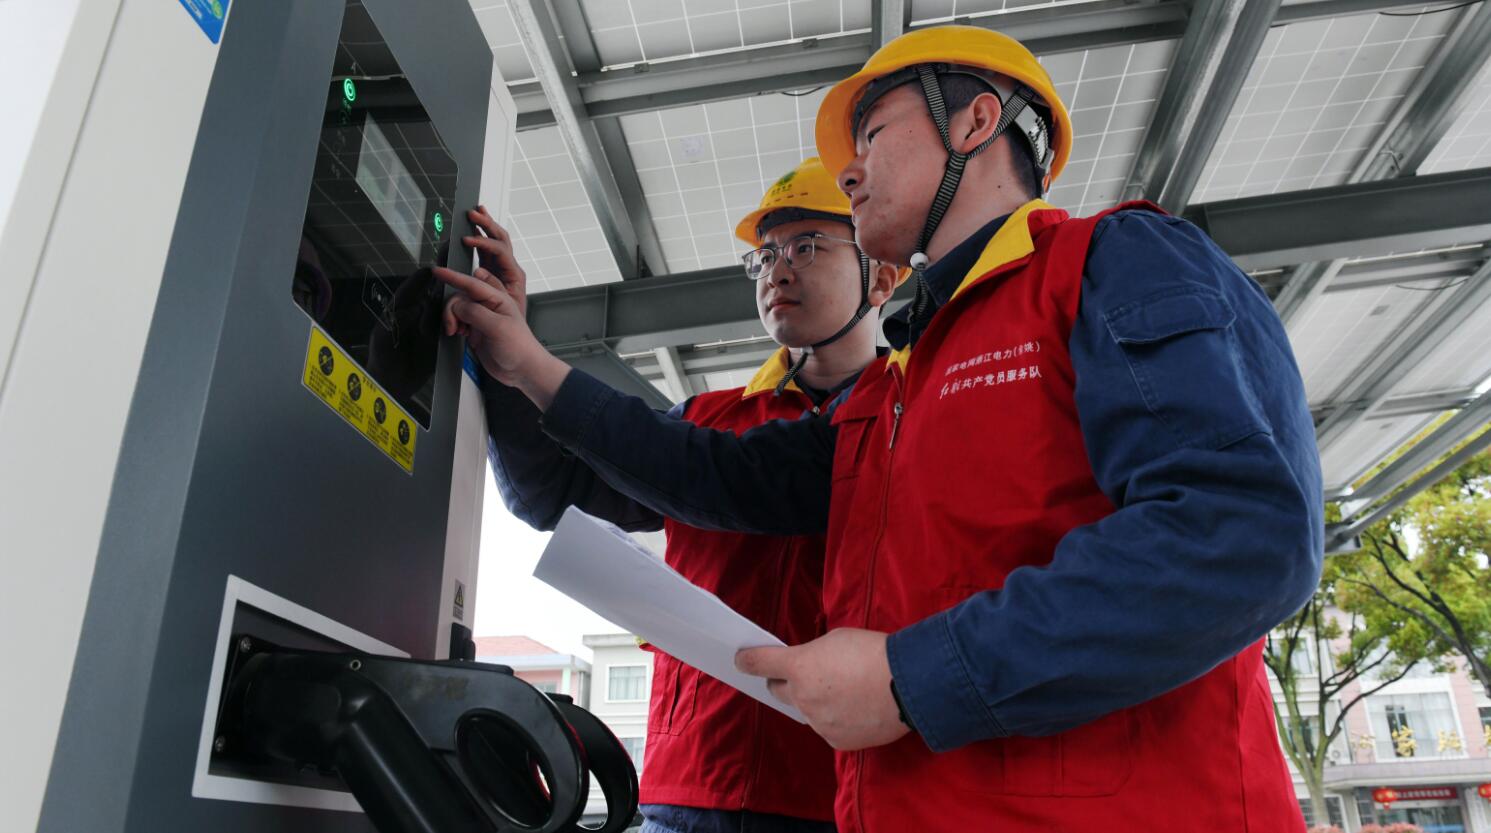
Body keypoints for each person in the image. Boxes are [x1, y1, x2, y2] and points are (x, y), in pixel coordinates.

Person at [437, 26, 1324, 833]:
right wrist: (524, 361)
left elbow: (1240, 534)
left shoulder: (1112, 262)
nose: (849, 172)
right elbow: (716, 475)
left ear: (976, 121)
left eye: (871, 136)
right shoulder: (898, 387)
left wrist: (910, 675)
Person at [440, 158, 902, 833]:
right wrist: (504, 357)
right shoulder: (707, 420)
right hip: (689, 790)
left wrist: (533, 364)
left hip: (837, 795)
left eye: (807, 246)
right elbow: (552, 491)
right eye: (765, 255)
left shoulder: (909, 415)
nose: (777, 271)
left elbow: (721, 475)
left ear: (881, 278)